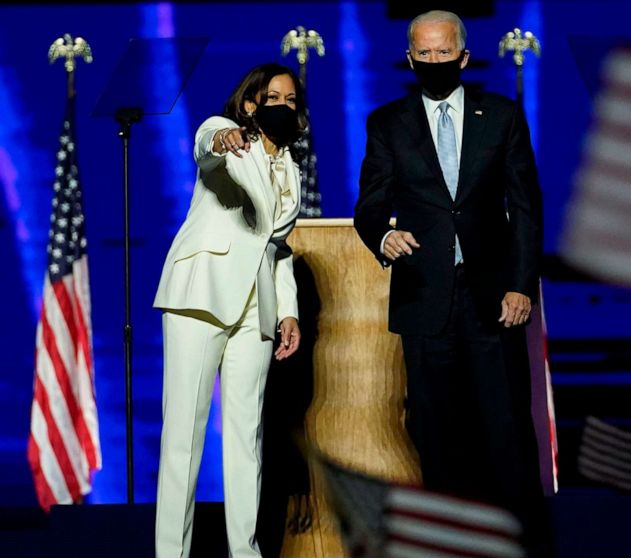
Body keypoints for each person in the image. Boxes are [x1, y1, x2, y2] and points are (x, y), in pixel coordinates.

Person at [353, 9, 548, 553]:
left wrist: (520, 285)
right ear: (409, 57)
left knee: (505, 429)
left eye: (444, 52)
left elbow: (526, 208)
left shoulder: (503, 115)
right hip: (424, 297)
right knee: (436, 434)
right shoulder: (387, 122)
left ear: (463, 56)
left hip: (492, 299)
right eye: (425, 53)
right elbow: (370, 205)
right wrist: (382, 237)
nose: (434, 61)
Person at [152, 63, 307, 558]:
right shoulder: (223, 132)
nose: (281, 106)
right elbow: (208, 149)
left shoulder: (291, 170)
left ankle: (246, 550)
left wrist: (289, 311)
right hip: (202, 294)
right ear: (249, 105)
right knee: (184, 434)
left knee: (247, 436)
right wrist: (223, 143)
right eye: (272, 98)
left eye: (289, 100)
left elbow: (276, 245)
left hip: (255, 307)